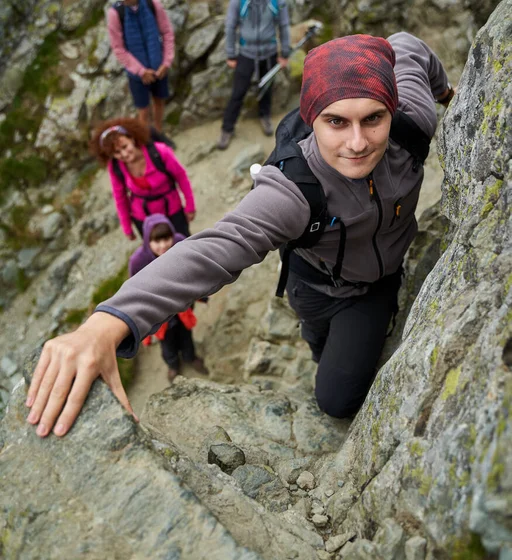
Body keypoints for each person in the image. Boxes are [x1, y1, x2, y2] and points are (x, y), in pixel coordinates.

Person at [26, 32, 455, 438]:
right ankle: (321, 350)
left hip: (375, 288)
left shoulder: (411, 122)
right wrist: (107, 323)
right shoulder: (295, 191)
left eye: (374, 118)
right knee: (318, 342)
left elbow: (408, 47)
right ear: (312, 118)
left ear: (392, 106)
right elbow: (216, 248)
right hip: (312, 286)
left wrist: (446, 93)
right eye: (336, 122)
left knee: (336, 399)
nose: (358, 142)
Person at [129, 213, 209, 382]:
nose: (163, 245)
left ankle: (190, 357)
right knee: (167, 343)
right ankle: (173, 365)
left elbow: (193, 270)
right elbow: (134, 292)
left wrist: (202, 295)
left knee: (186, 334)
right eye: (157, 241)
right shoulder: (138, 262)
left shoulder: (180, 243)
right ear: (147, 241)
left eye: (167, 239)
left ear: (173, 235)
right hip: (159, 314)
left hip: (182, 305)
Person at [90, 117, 196, 239]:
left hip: (172, 210)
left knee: (184, 246)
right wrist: (127, 227)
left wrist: (190, 205)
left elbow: (181, 177)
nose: (124, 154)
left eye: (125, 147)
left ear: (132, 139)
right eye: (117, 152)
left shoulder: (160, 152)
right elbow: (120, 197)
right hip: (144, 219)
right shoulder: (115, 168)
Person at [217, 0, 291, 150]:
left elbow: (284, 25)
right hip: (246, 53)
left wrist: (284, 53)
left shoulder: (277, 2)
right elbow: (230, 26)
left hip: (269, 52)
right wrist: (231, 54)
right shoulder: (238, 2)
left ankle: (265, 116)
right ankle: (227, 128)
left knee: (267, 88)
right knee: (238, 92)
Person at [107, 0, 174, 132]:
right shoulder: (115, 13)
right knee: (143, 111)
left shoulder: (152, 4)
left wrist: (166, 62)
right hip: (137, 75)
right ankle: (147, 142)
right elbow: (118, 48)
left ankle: (159, 134)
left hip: (159, 67)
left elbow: (167, 32)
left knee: (159, 102)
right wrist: (140, 71)